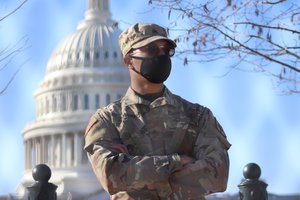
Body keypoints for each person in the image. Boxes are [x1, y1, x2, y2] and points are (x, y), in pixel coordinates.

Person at [84, 23, 231, 200]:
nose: (161, 55)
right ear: (129, 60)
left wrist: (137, 171)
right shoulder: (108, 120)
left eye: (166, 50)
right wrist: (179, 162)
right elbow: (112, 175)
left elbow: (217, 175)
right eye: (152, 49)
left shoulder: (197, 116)